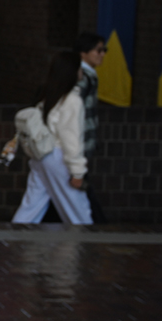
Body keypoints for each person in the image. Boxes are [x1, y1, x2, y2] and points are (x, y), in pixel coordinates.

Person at [12, 51, 92, 225]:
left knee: (31, 207)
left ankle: (14, 237)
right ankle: (85, 246)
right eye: (79, 68)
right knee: (78, 212)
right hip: (58, 157)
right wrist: (77, 172)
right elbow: (71, 138)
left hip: (41, 155)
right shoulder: (72, 100)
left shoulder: (49, 95)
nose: (81, 72)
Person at [73, 32, 105, 223]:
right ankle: (97, 223)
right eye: (98, 50)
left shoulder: (88, 76)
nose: (102, 54)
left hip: (81, 143)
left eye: (104, 50)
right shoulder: (83, 77)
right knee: (80, 186)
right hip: (79, 143)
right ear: (83, 52)